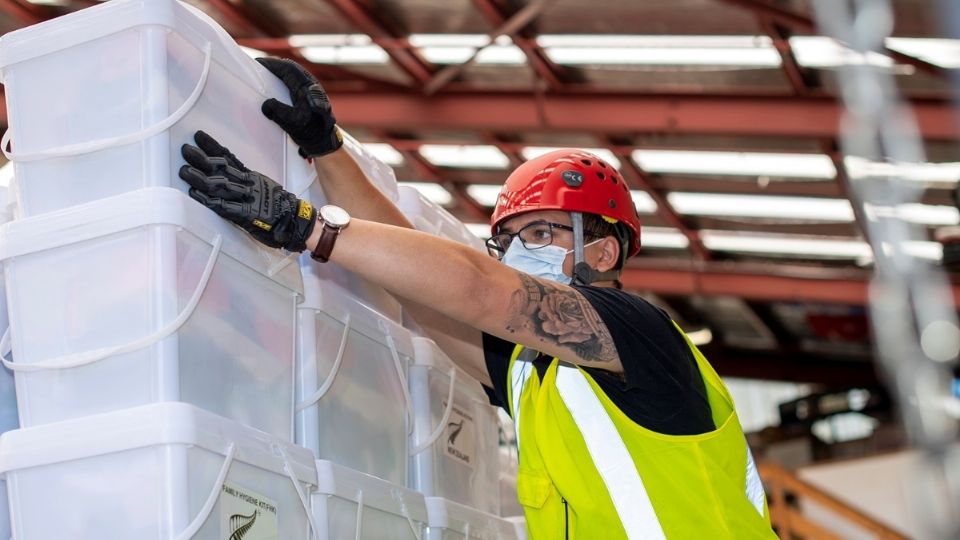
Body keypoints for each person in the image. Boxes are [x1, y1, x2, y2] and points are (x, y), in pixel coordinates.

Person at [178, 56, 778, 539]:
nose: (522, 251)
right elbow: (426, 289)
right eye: (511, 240)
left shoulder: (635, 332)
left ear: (602, 253)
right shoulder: (533, 373)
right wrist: (327, 150)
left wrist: (309, 226)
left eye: (543, 233)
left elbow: (478, 288)